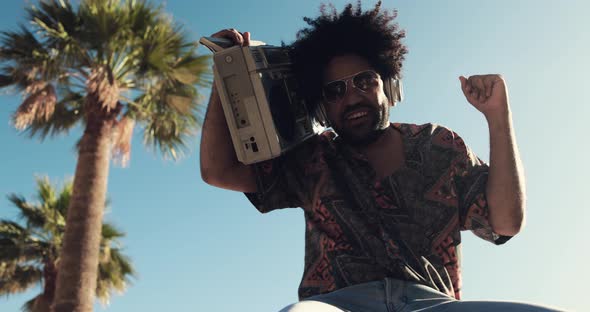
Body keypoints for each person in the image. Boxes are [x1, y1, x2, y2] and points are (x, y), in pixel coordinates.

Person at [200, 1, 564, 311]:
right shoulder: (313, 158)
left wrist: (498, 115)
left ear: (388, 84)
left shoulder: (438, 144)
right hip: (338, 304)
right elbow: (218, 171)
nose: (351, 96)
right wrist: (226, 74)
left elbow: (505, 222)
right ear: (322, 105)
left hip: (430, 303)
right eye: (335, 90)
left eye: (364, 81)